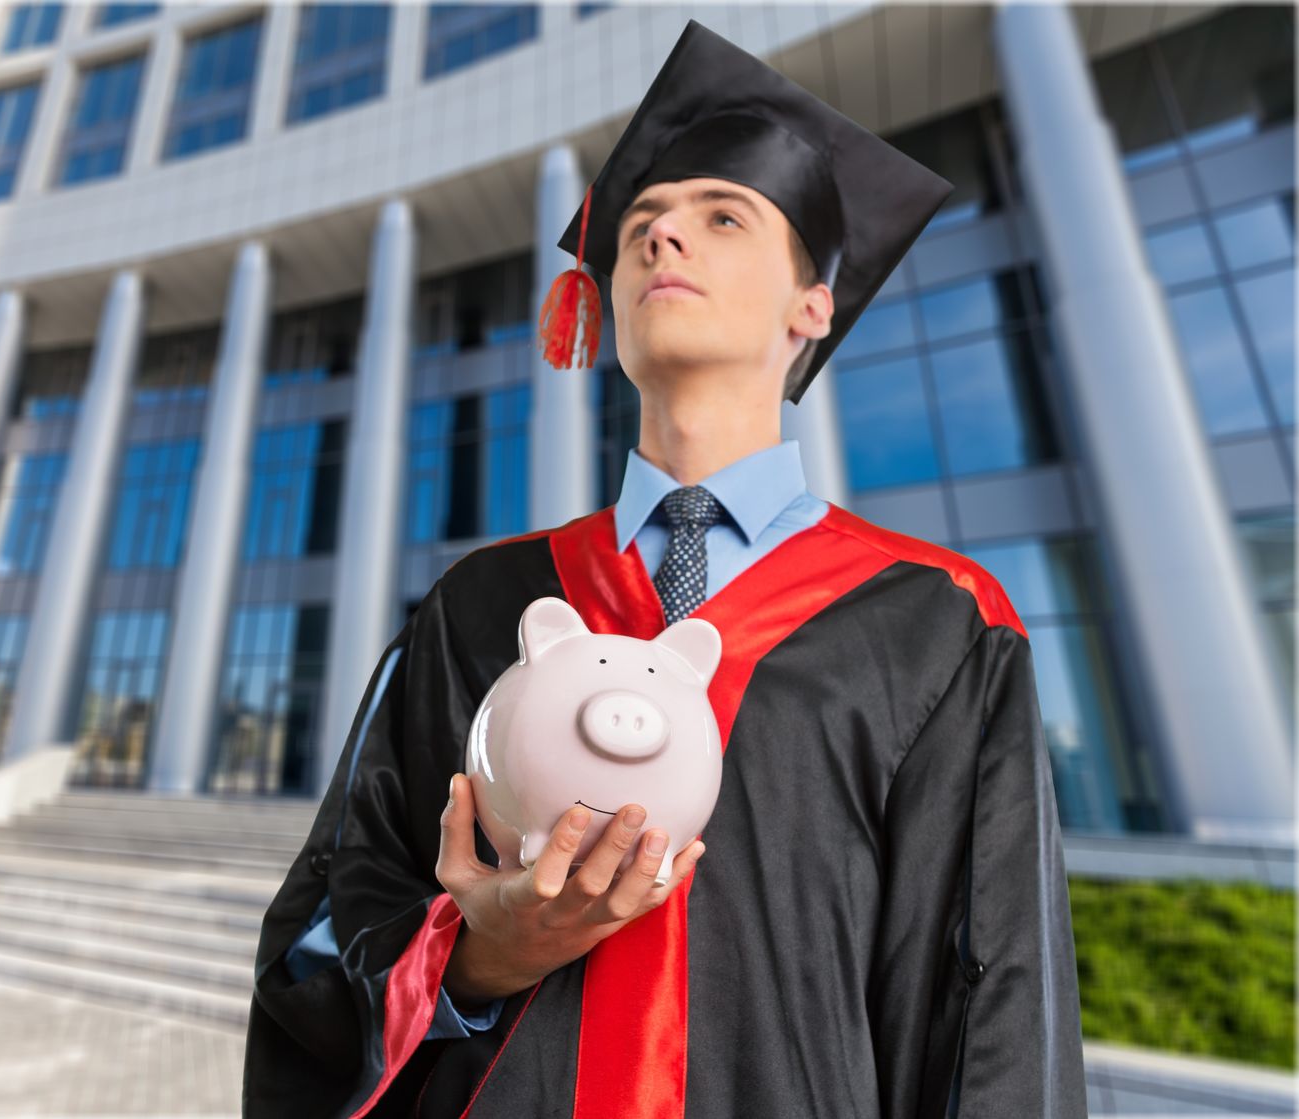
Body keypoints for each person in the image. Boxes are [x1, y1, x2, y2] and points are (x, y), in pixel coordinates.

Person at [243, 18, 1088, 1118]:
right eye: (638, 222)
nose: (659, 240)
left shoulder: (938, 621)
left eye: (720, 216)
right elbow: (327, 922)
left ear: (811, 306)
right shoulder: (482, 603)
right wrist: (479, 955)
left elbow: (990, 1000)